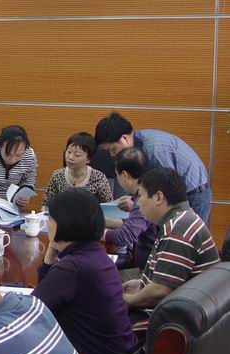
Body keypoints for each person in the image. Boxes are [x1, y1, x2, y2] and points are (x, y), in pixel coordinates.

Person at [33, 188, 140, 354]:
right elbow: (46, 294)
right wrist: (50, 255)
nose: (47, 224)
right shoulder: (96, 253)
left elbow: (32, 312)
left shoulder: (72, 268)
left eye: (50, 219)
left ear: (64, 223)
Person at [123, 168, 219, 310]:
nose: (137, 203)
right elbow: (165, 280)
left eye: (140, 195)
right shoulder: (181, 218)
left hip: (177, 315)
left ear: (158, 197)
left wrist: (126, 299)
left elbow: (160, 291)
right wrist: (141, 284)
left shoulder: (178, 229)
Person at [94, 111, 210, 223]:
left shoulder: (154, 151)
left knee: (184, 234)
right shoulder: (138, 147)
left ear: (124, 138)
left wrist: (136, 202)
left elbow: (168, 189)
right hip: (179, 193)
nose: (112, 155)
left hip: (192, 193)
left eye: (112, 149)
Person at [103, 147, 157, 272]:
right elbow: (134, 223)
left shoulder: (143, 199)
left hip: (150, 270)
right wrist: (100, 220)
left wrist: (92, 231)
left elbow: (124, 236)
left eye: (117, 174)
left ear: (124, 175)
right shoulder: (149, 189)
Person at [42, 132, 112, 208]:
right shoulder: (57, 175)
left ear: (88, 159)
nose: (70, 157)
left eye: (77, 155)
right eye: (69, 152)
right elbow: (46, 204)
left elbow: (108, 207)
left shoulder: (99, 178)